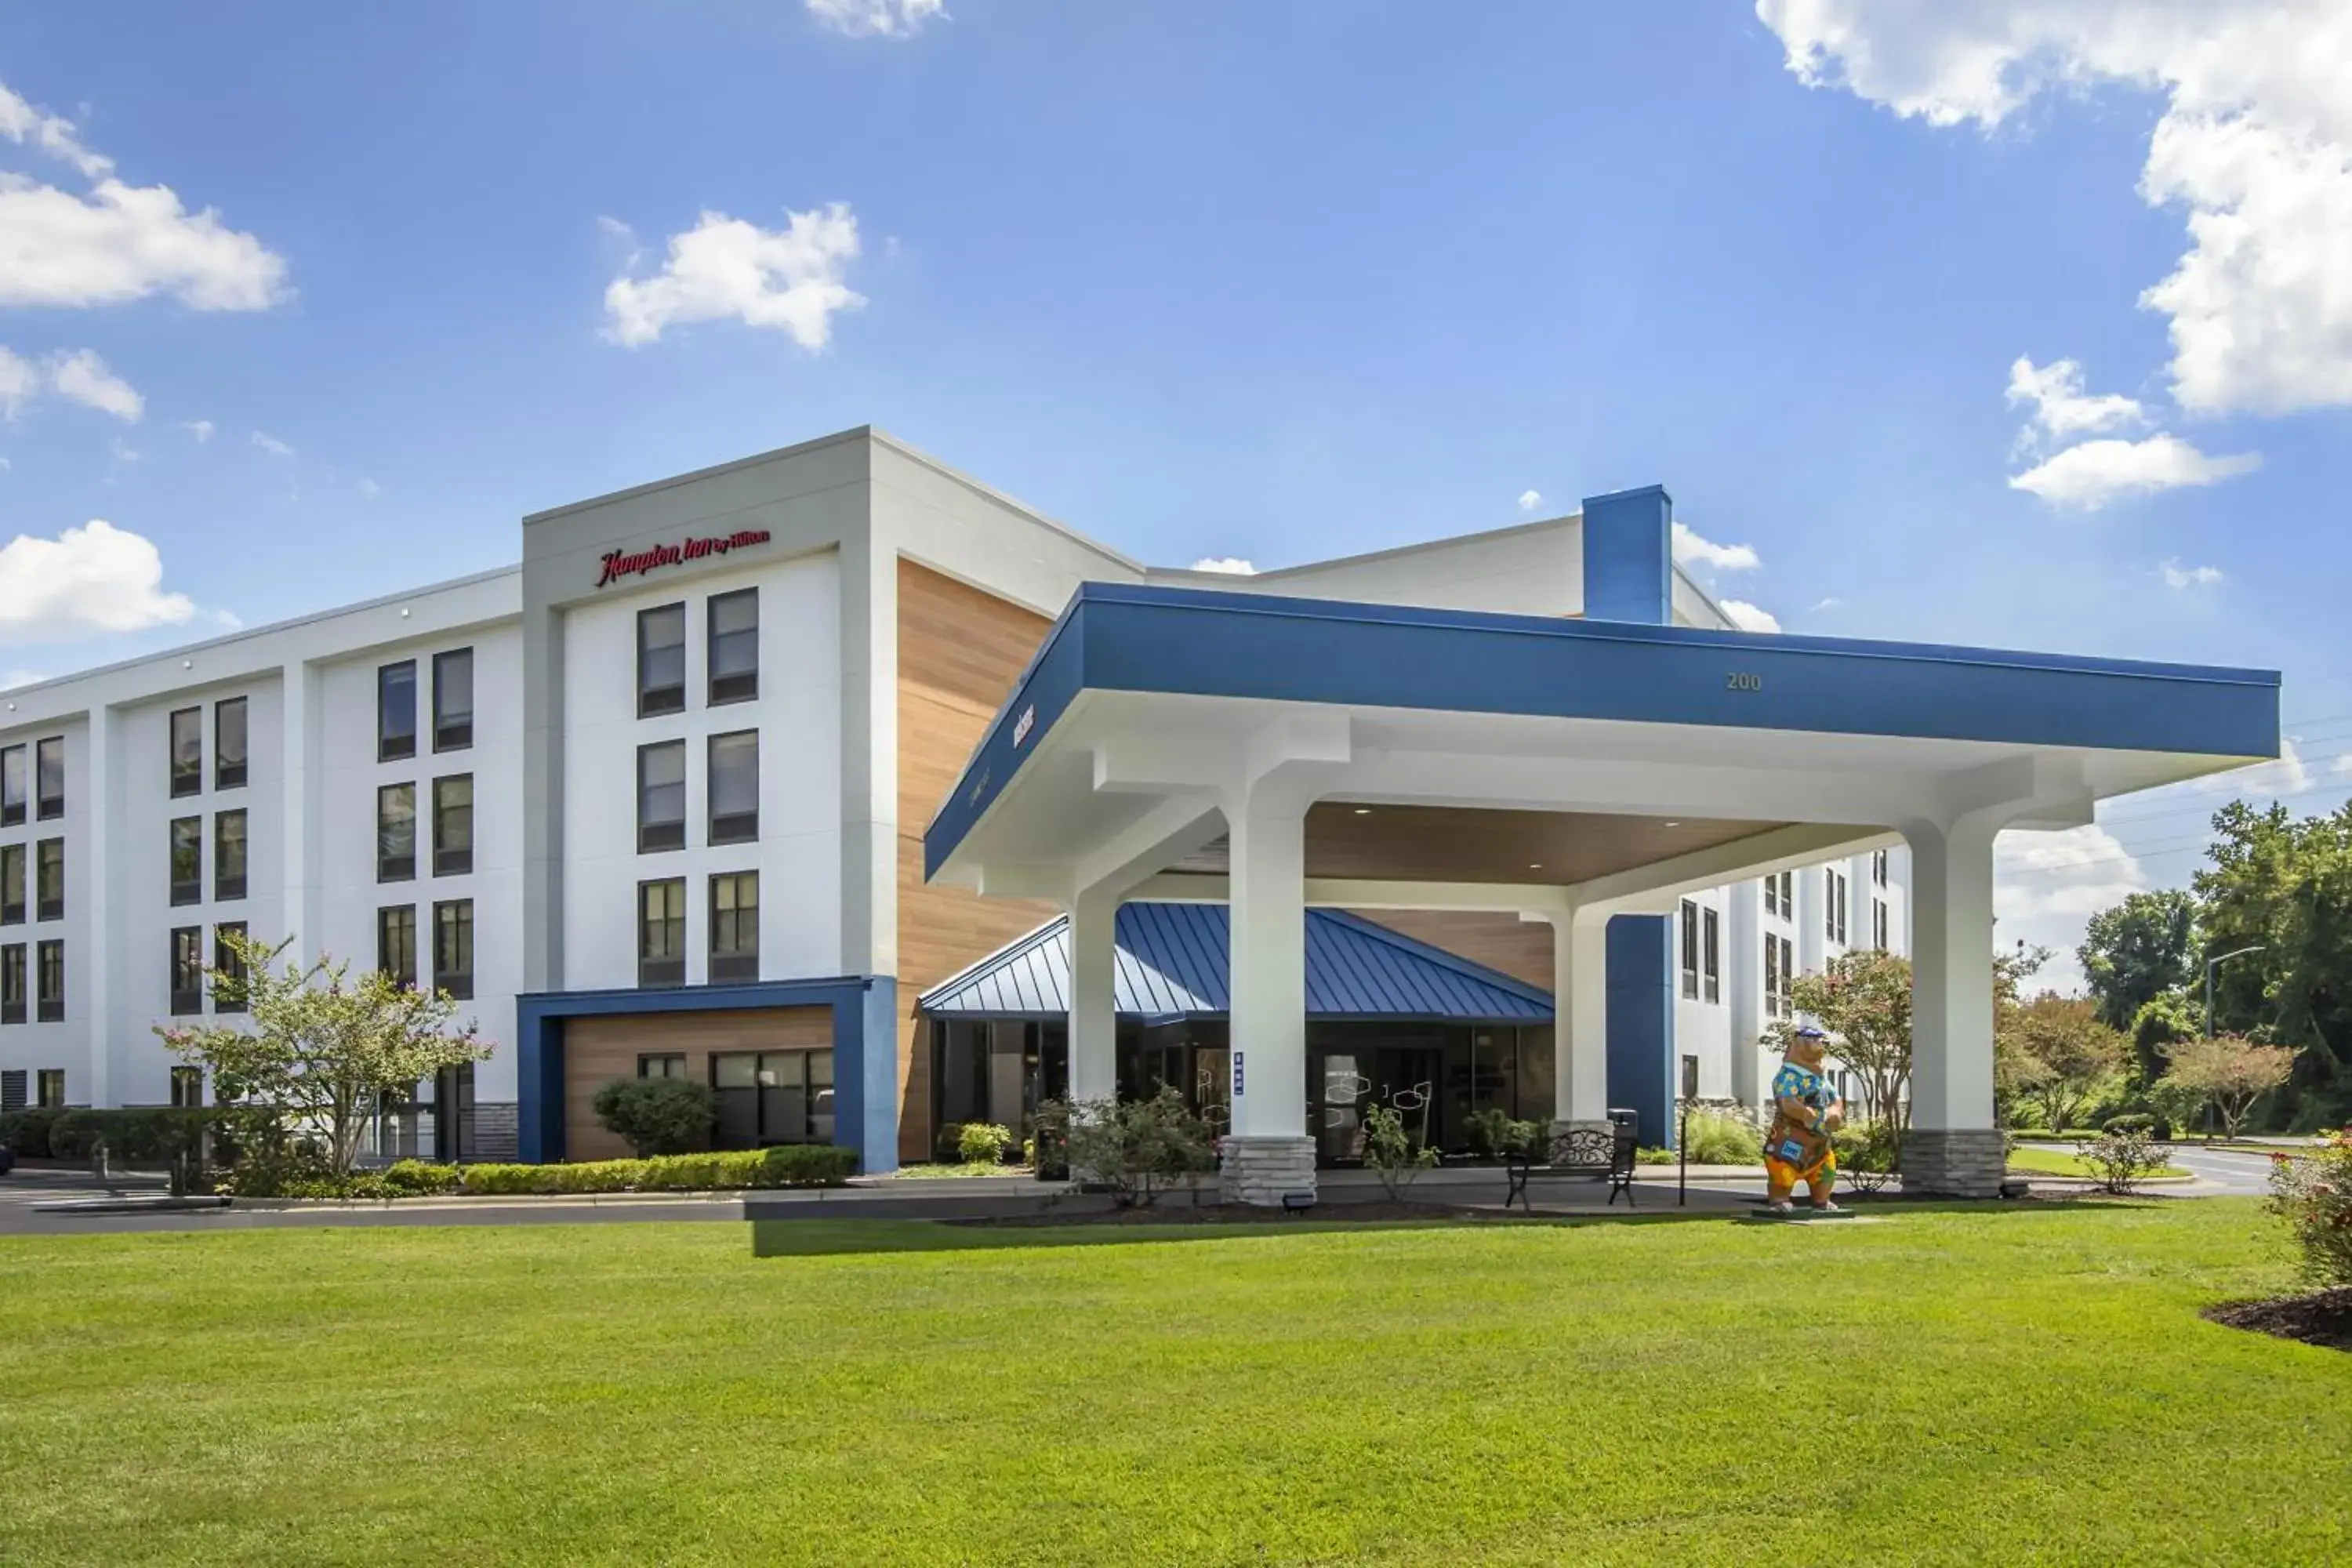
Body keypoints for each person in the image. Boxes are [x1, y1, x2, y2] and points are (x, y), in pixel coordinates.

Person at [1764, 1026, 1844, 1214]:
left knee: (1826, 1170)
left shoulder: (1820, 1078)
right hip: (1790, 1142)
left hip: (1819, 1145)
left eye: (1820, 1040)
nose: (1820, 1044)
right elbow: (1786, 1102)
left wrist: (1835, 1112)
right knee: (1783, 1172)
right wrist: (1804, 1113)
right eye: (1813, 1040)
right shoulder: (1788, 1075)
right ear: (1799, 1044)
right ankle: (1779, 1200)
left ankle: (1821, 1200)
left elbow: (1836, 1099)